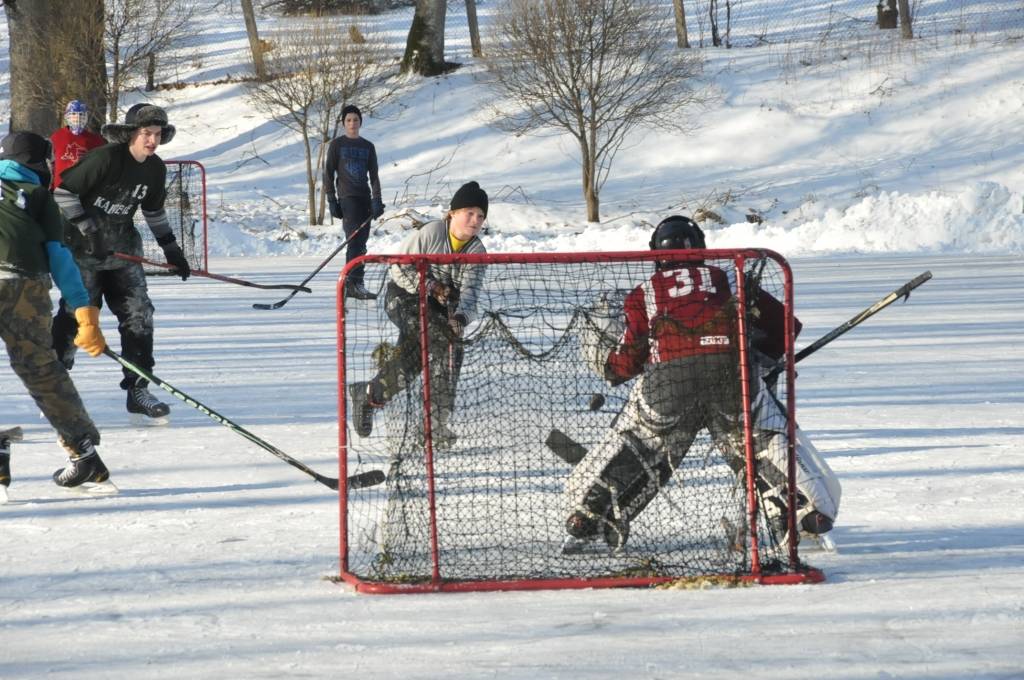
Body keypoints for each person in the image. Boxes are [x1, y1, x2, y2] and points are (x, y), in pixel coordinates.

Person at [565, 215, 840, 553]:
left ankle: (589, 514)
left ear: (655, 254)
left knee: (644, 442)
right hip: (731, 379)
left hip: (668, 385)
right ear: (701, 248)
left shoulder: (644, 293)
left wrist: (613, 369)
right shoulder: (731, 277)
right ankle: (803, 514)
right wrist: (762, 358)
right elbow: (787, 327)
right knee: (755, 439)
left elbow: (629, 358)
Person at [50, 103, 191, 424]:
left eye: (157, 134)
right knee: (77, 315)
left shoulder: (155, 169)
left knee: (140, 314)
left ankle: (138, 388)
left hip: (123, 252)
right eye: (146, 133)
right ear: (131, 134)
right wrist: (89, 230)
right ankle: (55, 377)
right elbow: (63, 193)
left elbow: (153, 212)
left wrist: (172, 250)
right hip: (82, 252)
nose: (152, 140)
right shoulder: (106, 158)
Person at [0, 131, 114, 493]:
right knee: (41, 369)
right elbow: (60, 258)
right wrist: (84, 310)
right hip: (25, 286)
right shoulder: (39, 196)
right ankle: (83, 451)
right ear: (37, 163)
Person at [349, 181, 489, 449]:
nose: (475, 220)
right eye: (469, 212)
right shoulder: (432, 232)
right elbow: (399, 269)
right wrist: (431, 286)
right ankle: (430, 425)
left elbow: (470, 296)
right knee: (437, 341)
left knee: (437, 355)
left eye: (480, 216)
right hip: (404, 297)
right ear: (453, 213)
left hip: (437, 310)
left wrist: (460, 319)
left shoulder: (476, 252)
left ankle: (370, 395)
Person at [323, 104, 384, 301]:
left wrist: (377, 200)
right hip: (347, 199)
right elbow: (328, 173)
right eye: (348, 120)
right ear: (343, 123)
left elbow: (374, 176)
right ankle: (353, 283)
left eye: (355, 120)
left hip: (364, 198)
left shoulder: (368, 146)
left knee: (362, 243)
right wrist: (332, 200)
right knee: (354, 241)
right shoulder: (337, 145)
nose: (352, 123)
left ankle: (356, 282)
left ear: (360, 122)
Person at [49, 99, 105, 190]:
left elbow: (101, 167)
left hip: (85, 191)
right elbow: (50, 165)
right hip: (60, 190)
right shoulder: (56, 138)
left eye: (81, 115)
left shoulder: (96, 140)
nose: (77, 118)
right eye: (74, 114)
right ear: (67, 116)